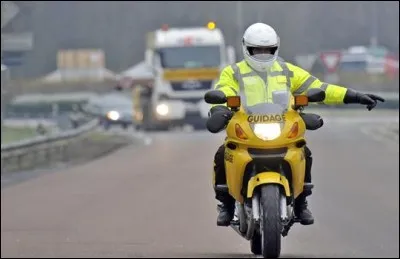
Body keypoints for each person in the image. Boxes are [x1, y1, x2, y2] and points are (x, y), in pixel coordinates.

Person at [210, 23, 385, 227]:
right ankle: (226, 205)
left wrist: (355, 96)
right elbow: (222, 92)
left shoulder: (287, 71)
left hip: (282, 128)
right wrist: (219, 110)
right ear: (246, 48)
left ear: (276, 48)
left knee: (305, 153)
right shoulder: (233, 72)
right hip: (247, 130)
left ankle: (301, 203)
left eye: (268, 50)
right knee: (222, 154)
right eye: (257, 50)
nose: (263, 54)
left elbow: (319, 88)